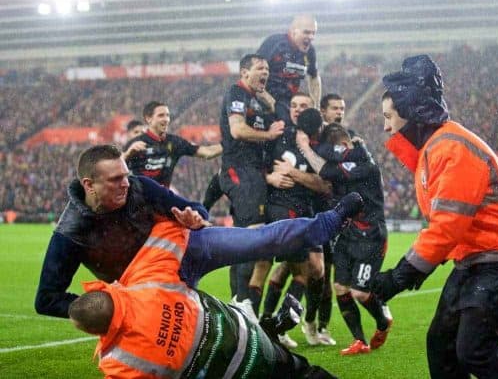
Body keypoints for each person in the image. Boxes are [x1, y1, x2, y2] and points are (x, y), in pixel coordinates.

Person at [34, 144, 363, 319]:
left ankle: (324, 224)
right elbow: (46, 300)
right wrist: (108, 307)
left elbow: (194, 208)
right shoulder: (70, 233)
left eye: (124, 175)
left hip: (189, 246)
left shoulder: (139, 186)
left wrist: (195, 215)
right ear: (88, 185)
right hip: (152, 292)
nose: (125, 183)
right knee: (206, 336)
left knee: (262, 238)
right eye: (115, 180)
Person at [372, 54, 498, 378]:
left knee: (475, 354)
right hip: (477, 257)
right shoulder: (435, 148)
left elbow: (447, 226)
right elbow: (447, 227)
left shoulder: (450, 147)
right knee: (442, 345)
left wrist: (399, 276)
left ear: (409, 113)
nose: (385, 126)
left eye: (389, 116)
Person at [69, 219, 338, 379]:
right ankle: (275, 327)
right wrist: (185, 214)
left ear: (98, 333)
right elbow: (169, 232)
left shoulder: (119, 361)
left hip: (233, 374)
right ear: (107, 292)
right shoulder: (147, 283)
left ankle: (274, 325)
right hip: (253, 341)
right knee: (299, 372)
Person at [297, 123, 391, 356]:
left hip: (371, 235)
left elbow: (327, 171)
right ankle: (359, 340)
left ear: (346, 146)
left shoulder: (366, 165)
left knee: (360, 292)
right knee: (340, 287)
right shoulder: (343, 164)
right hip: (347, 235)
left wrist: (306, 149)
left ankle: (382, 322)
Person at [256, 97, 331, 348]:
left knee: (316, 270)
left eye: (304, 105)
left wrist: (293, 173)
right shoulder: (278, 134)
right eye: (294, 105)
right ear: (289, 110)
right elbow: (257, 167)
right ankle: (275, 323)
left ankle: (276, 321)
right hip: (283, 208)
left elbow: (324, 185)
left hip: (309, 210)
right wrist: (271, 177)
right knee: (301, 269)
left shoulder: (320, 141)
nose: (298, 109)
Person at [218, 53, 284, 319]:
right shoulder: (237, 92)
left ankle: (238, 301)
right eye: (260, 68)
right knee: (252, 236)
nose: (265, 72)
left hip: (254, 173)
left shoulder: (256, 99)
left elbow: (280, 113)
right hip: (241, 172)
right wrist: (268, 135)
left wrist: (268, 99)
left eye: (267, 68)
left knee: (246, 237)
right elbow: (237, 130)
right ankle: (242, 304)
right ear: (244, 72)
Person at [122, 101, 222, 187]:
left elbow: (208, 152)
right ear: (149, 118)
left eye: (167, 115)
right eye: (161, 115)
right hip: (138, 202)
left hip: (162, 202)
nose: (166, 119)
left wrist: (231, 144)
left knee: (197, 208)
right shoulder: (134, 143)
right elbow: (113, 167)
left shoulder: (175, 142)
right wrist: (128, 154)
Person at [257, 14, 321, 125]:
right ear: (293, 31)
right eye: (306, 32)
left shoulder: (310, 52)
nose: (311, 37)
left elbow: (314, 77)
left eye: (313, 33)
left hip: (290, 103)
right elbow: (253, 70)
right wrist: (266, 98)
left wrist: (316, 106)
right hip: (267, 99)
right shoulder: (275, 43)